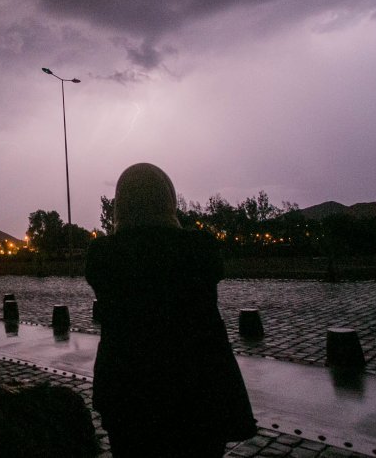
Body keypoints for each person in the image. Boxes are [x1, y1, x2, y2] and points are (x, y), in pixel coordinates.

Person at [86, 163, 255, 457]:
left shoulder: (104, 255)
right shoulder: (198, 248)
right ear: (168, 199)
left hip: (129, 391)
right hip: (197, 390)